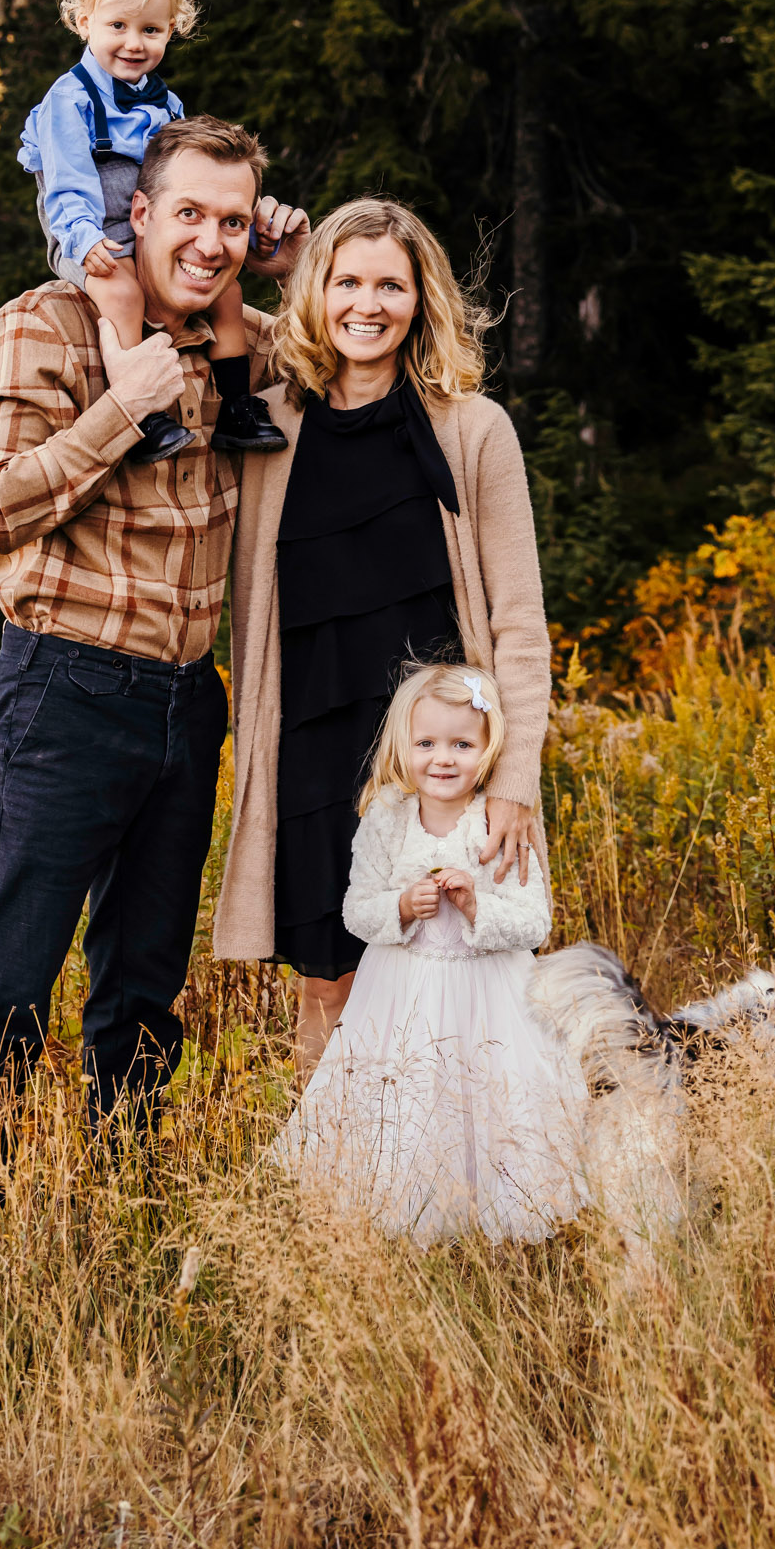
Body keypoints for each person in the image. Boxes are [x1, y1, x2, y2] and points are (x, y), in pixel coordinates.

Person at [0, 114, 308, 1167]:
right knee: (12, 977)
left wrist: (307, 259)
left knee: (144, 986)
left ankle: (121, 1200)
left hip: (189, 706)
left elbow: (366, 344)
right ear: (136, 212)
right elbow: (0, 509)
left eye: (232, 222)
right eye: (187, 213)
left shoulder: (230, 344)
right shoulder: (40, 330)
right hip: (69, 691)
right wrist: (121, 409)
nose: (209, 241)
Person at [212, 197, 552, 1082]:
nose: (367, 304)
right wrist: (275, 261)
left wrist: (512, 783)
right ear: (316, 291)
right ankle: (336, 1199)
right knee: (327, 977)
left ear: (421, 299)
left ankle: (455, 1180)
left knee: (450, 975)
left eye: (390, 286)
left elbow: (518, 625)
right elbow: (204, 314)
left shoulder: (472, 430)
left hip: (436, 761)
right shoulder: (268, 418)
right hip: (310, 744)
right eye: (347, 281)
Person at [268, 662, 592, 1246]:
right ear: (404, 746)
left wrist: (475, 907)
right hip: (403, 992)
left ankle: (500, 1212)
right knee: (412, 1096)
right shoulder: (387, 817)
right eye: (427, 743)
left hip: (488, 996)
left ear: (489, 749)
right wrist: (398, 905)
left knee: (489, 1098)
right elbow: (355, 909)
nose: (443, 759)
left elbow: (534, 918)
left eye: (462, 744)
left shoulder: (495, 821)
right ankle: (407, 1209)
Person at [19, 0, 286, 461]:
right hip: (87, 229)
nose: (133, 43)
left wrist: (243, 230)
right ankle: (144, 414)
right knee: (121, 291)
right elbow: (69, 182)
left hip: (146, 228)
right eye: (117, 25)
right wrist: (83, 238)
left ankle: (238, 406)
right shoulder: (69, 102)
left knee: (228, 294)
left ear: (172, 29)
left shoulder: (166, 104)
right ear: (84, 22)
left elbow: (189, 184)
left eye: (151, 29)